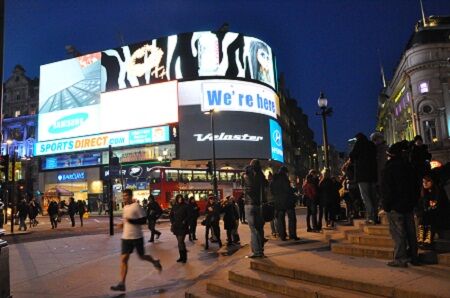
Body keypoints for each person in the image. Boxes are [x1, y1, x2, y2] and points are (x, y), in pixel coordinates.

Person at [111, 189, 162, 292]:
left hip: (137, 237)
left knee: (142, 256)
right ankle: (122, 284)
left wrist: (131, 220)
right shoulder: (125, 207)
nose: (124, 197)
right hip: (126, 237)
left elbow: (144, 220)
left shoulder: (137, 206)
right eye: (123, 196)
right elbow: (126, 221)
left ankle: (154, 261)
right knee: (124, 259)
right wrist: (121, 224)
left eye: (126, 196)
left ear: (130, 196)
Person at [381, 142, 420, 267]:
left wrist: (386, 205)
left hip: (395, 206)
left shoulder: (389, 168)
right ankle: (414, 256)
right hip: (408, 205)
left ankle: (401, 259)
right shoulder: (409, 166)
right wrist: (413, 201)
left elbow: (387, 189)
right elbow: (416, 186)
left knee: (398, 233)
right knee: (410, 232)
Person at [349, 132, 378, 224]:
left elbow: (352, 155)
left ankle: (371, 217)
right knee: (373, 197)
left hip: (362, 175)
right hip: (373, 175)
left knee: (366, 197)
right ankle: (375, 216)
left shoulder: (359, 144)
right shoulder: (371, 145)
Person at [242, 159, 267, 258]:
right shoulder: (262, 176)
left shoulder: (246, 175)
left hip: (250, 204)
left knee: (254, 229)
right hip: (260, 205)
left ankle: (257, 252)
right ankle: (260, 249)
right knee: (260, 229)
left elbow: (245, 187)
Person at [416, 175, 447, 248]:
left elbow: (441, 205)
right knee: (423, 216)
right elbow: (419, 206)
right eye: (423, 182)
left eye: (427, 181)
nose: (425, 183)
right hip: (426, 215)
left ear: (432, 182)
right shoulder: (423, 192)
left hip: (437, 214)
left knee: (429, 216)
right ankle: (421, 238)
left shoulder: (438, 191)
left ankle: (428, 238)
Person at [271, 166, 299, 241]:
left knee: (280, 219)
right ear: (285, 172)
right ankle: (292, 235)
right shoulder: (284, 179)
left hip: (278, 202)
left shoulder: (274, 179)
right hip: (287, 202)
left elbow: (272, 191)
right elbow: (288, 190)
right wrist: (295, 189)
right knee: (292, 218)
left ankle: (282, 235)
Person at [169, 194, 191, 263]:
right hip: (176, 226)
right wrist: (173, 222)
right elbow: (171, 215)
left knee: (180, 241)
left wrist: (185, 221)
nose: (180, 199)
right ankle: (181, 257)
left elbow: (189, 215)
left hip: (183, 226)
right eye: (178, 198)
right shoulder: (174, 206)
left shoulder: (186, 206)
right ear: (177, 199)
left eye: (181, 198)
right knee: (179, 243)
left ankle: (184, 257)